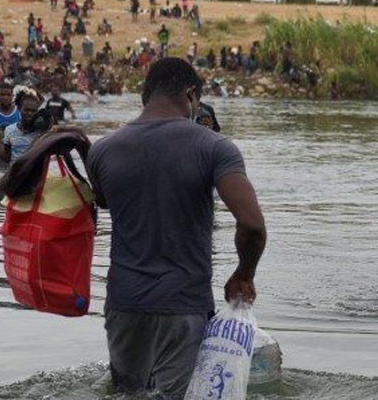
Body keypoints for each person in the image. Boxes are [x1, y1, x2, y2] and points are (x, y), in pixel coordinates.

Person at [85, 57, 266, 398]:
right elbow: (252, 224)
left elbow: (103, 201)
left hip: (122, 306)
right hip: (181, 305)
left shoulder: (103, 150)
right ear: (191, 94)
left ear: (145, 93)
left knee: (127, 393)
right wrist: (244, 272)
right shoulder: (213, 147)